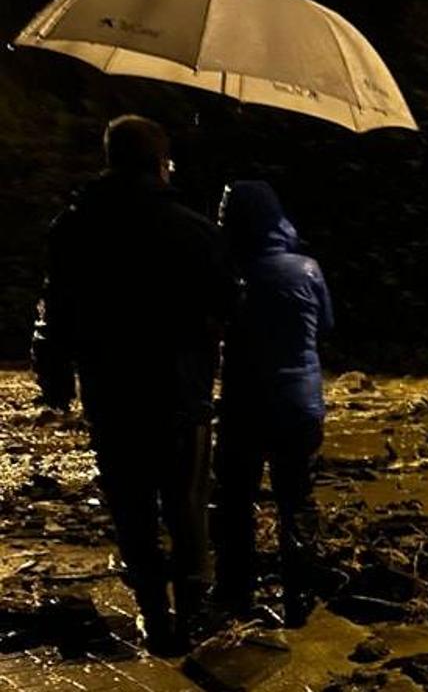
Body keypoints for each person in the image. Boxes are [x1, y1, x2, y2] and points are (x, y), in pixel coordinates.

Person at [32, 115, 236, 655]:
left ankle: (154, 613)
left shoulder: (72, 228)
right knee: (187, 507)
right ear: (161, 164)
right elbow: (228, 307)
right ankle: (192, 614)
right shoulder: (196, 230)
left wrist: (54, 377)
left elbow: (56, 311)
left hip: (111, 391)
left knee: (132, 507)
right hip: (180, 392)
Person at [214, 180, 333, 628]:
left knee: (234, 500)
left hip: (245, 403)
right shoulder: (307, 269)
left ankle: (234, 594)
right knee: (297, 497)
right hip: (300, 403)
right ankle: (300, 598)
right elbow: (324, 326)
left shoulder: (226, 271)